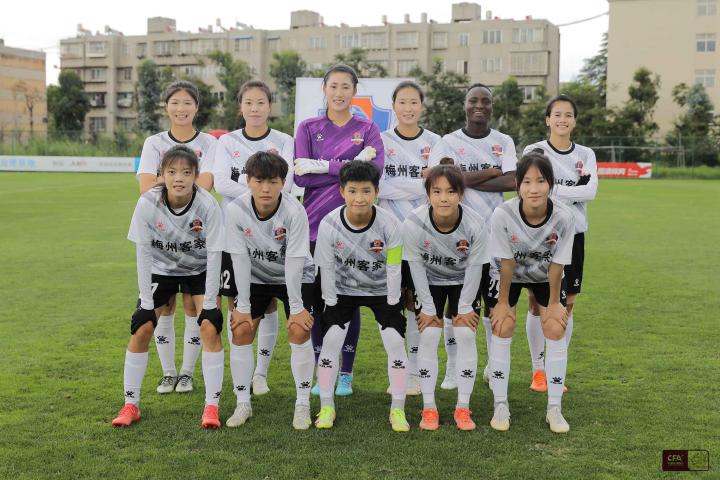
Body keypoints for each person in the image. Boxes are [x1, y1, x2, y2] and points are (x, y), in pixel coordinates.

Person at [112, 146, 225, 428]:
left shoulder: (208, 205)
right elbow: (143, 253)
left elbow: (215, 254)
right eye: (172, 172)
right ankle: (130, 404)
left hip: (198, 270)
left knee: (209, 326)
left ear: (196, 175)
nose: (179, 178)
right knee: (142, 327)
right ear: (162, 174)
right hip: (160, 269)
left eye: (186, 172)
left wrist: (211, 302)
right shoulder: (148, 202)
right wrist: (146, 303)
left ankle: (212, 407)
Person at [293, 64, 385, 396]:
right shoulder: (308, 127)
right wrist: (351, 165)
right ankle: (324, 370)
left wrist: (322, 166)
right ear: (324, 89)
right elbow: (301, 177)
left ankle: (345, 373)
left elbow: (373, 174)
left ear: (354, 91)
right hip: (314, 227)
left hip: (355, 228)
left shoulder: (368, 128)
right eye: (333, 86)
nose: (339, 92)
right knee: (319, 301)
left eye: (346, 86)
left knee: (348, 301)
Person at [428, 83, 517, 389]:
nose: (479, 105)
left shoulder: (503, 141)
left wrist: (462, 178)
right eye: (473, 100)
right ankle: (453, 369)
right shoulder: (448, 141)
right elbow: (439, 180)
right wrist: (491, 172)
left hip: (494, 235)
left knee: (493, 304)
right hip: (455, 235)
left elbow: (512, 181)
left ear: (492, 106)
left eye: (485, 101)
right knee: (455, 306)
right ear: (464, 105)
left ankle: (493, 366)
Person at [134, 80, 218, 395]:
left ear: (196, 107)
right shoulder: (153, 142)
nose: (181, 109)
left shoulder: (209, 143)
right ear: (166, 107)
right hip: (162, 235)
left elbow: (205, 185)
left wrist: (168, 180)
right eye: (175, 102)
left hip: (196, 234)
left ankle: (187, 373)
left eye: (187, 103)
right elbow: (145, 188)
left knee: (193, 308)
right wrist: (182, 182)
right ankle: (168, 373)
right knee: (165, 308)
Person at [222, 151, 316, 429]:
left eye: (273, 182)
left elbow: (295, 260)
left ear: (283, 183)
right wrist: (242, 306)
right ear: (248, 181)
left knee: (299, 329)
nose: (266, 188)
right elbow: (239, 258)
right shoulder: (235, 210)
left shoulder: (294, 211)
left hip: (296, 275)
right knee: (241, 329)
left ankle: (302, 404)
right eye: (259, 181)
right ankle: (243, 403)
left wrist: (297, 308)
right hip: (255, 275)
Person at [213, 80, 295, 396]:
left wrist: (260, 193)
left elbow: (286, 185)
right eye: (249, 102)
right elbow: (221, 182)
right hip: (233, 233)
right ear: (240, 106)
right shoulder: (227, 141)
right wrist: (260, 194)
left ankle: (260, 373)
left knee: (269, 301)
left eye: (261, 102)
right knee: (237, 302)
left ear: (269, 106)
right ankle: (241, 373)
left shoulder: (284, 140)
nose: (255, 108)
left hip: (273, 235)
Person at [314, 161, 409, 432]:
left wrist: (393, 304)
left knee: (395, 343)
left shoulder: (390, 224)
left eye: (366, 191)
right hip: (342, 290)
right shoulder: (329, 224)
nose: (359, 198)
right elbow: (326, 268)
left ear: (376, 192)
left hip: (382, 291)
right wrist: (331, 304)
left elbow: (394, 267)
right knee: (331, 341)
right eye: (353, 191)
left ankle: (398, 409)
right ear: (342, 191)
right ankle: (327, 406)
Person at [486, 152, 575, 434]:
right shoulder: (503, 214)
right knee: (503, 324)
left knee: (555, 326)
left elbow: (558, 265)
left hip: (545, 273)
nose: (533, 188)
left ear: (550, 184)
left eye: (540, 181)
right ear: (517, 184)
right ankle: (500, 404)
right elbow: (506, 263)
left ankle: (554, 409)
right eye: (526, 181)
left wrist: (554, 303)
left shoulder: (564, 216)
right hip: (508, 273)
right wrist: (502, 303)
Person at [403, 159, 488, 430]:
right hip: (429, 281)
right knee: (428, 335)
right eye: (437, 191)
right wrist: (428, 308)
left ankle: (463, 407)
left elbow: (475, 267)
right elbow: (415, 266)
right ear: (428, 194)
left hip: (463, 281)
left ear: (461, 194)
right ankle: (429, 408)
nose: (443, 198)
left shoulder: (475, 223)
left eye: (451, 191)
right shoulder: (413, 222)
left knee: (465, 334)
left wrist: (464, 307)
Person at [522, 94, 598, 392]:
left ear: (574, 121)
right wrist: (573, 190)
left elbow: (590, 192)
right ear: (547, 119)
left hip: (573, 235)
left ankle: (557, 369)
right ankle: (538, 370)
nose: (562, 119)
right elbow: (530, 191)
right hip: (540, 234)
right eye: (557, 114)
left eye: (568, 115)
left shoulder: (586, 154)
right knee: (536, 302)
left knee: (568, 304)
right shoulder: (534, 151)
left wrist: (552, 191)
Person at [378, 81, 441, 396]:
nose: (408, 108)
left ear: (422, 106)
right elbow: (379, 186)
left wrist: (417, 185)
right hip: (391, 239)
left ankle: (415, 372)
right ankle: (398, 372)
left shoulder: (435, 142)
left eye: (413, 102)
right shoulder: (381, 140)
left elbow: (437, 187)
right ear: (393, 106)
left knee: (418, 304)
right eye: (402, 102)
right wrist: (420, 182)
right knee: (392, 303)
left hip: (423, 238)